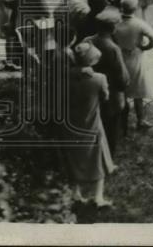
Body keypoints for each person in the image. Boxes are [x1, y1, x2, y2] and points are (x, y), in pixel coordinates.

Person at [62, 41, 115, 207]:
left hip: (71, 122)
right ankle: (98, 197)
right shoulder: (99, 79)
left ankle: (75, 193)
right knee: (98, 156)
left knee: (73, 156)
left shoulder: (65, 76)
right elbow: (105, 97)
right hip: (92, 122)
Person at [85, 7, 130, 156]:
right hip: (110, 92)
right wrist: (124, 84)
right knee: (110, 126)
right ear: (112, 28)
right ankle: (108, 154)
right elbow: (121, 76)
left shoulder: (88, 41)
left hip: (90, 89)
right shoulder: (112, 48)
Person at [114, 0, 153, 133]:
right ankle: (141, 120)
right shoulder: (139, 23)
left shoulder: (115, 22)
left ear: (122, 7)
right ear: (135, 8)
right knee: (138, 92)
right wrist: (145, 47)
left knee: (121, 91)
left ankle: (123, 124)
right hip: (135, 57)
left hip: (119, 58)